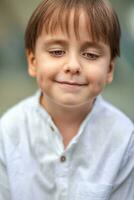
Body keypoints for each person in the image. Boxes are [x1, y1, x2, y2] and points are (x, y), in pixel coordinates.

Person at [0, 0, 134, 199]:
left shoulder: (124, 138)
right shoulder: (7, 132)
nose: (73, 65)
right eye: (56, 52)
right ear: (32, 61)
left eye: (90, 54)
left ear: (110, 69)